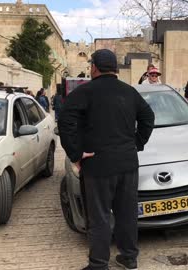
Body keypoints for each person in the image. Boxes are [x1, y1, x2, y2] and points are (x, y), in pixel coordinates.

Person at [58, 49, 155, 270]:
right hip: (128, 164)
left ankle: (99, 264)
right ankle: (129, 257)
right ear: (115, 69)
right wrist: (137, 143)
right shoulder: (129, 92)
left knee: (99, 216)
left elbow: (65, 121)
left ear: (94, 68)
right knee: (127, 213)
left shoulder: (85, 92)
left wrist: (76, 153)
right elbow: (148, 117)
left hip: (98, 166)